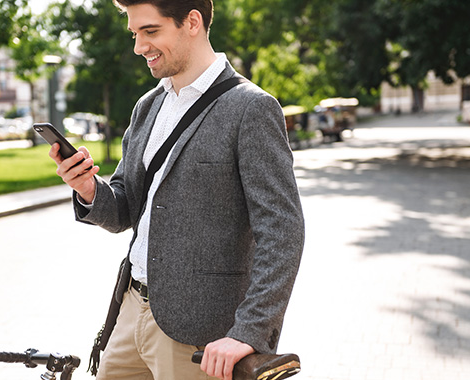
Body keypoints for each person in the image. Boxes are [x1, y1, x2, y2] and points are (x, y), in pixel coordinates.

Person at [48, 1, 304, 379]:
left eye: (151, 31)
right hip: (129, 310)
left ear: (192, 23)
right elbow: (125, 207)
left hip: (200, 335)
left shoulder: (251, 108)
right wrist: (88, 188)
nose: (139, 46)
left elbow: (282, 230)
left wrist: (249, 331)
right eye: (135, 33)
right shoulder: (147, 106)